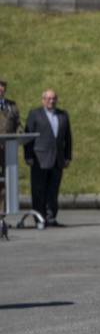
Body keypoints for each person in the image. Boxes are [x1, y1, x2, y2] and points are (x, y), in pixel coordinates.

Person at [24, 89, 72, 227]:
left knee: (53, 190)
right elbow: (28, 137)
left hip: (58, 159)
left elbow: (68, 137)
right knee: (39, 190)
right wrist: (28, 156)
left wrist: (68, 156)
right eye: (49, 98)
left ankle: (51, 217)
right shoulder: (35, 114)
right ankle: (40, 218)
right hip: (39, 158)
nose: (52, 101)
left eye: (54, 98)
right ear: (43, 99)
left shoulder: (63, 115)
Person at [1, 78, 20, 205]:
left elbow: (18, 124)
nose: (1, 90)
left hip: (7, 149)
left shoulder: (11, 105)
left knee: (5, 182)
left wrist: (20, 132)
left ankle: (1, 215)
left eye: (3, 87)